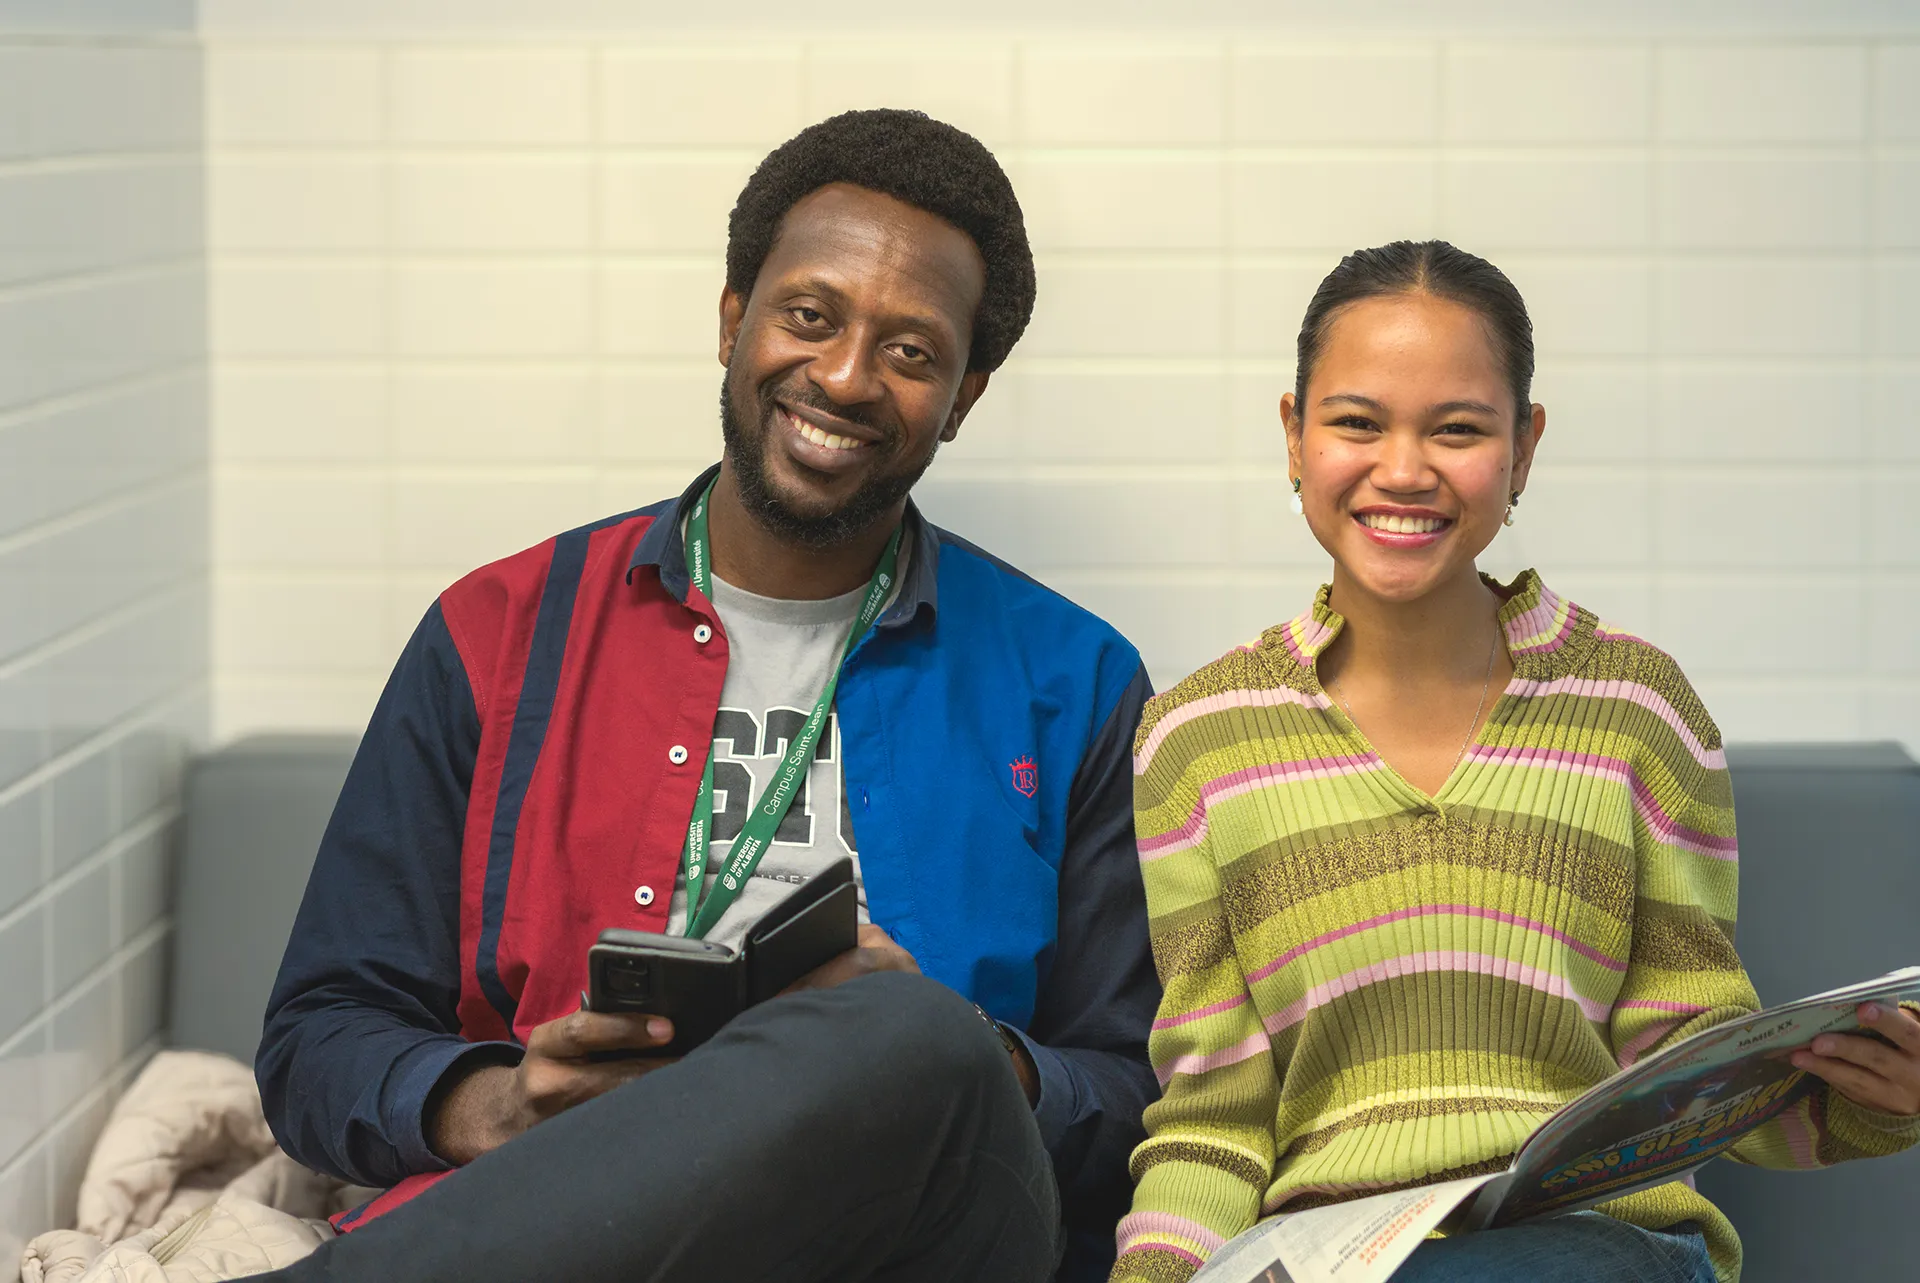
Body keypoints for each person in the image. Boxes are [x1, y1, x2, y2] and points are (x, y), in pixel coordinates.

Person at [252, 109, 1159, 1283]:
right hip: (584, 1225)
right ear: (734, 318)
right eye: (811, 316)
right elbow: (319, 1038)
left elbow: (1145, 1092)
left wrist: (971, 1059)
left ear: (965, 395)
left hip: (917, 1242)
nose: (843, 376)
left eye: (911, 351)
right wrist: (502, 1102)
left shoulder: (1074, 682)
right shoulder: (496, 632)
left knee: (913, 1030)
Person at [1111, 241, 1920, 1283]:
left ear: (1523, 448)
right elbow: (1211, 1120)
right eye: (1356, 421)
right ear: (1294, 437)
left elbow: (1690, 1052)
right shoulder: (1199, 737)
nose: (1403, 469)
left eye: (1458, 429)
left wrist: (1875, 1095)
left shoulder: (1637, 706)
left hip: (1604, 1248)